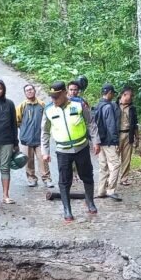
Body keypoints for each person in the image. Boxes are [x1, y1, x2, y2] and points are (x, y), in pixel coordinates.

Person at [41, 81, 100, 222]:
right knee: (64, 180)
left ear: (64, 93)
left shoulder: (78, 105)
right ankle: (67, 210)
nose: (53, 99)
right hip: (63, 150)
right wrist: (45, 151)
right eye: (52, 97)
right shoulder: (48, 110)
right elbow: (44, 132)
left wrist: (96, 141)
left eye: (56, 96)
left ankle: (90, 201)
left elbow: (90, 122)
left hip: (81, 147)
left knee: (87, 175)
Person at [16, 83, 53, 188]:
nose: (29, 91)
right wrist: (24, 130)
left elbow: (47, 120)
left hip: (39, 138)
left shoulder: (42, 104)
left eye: (31, 89)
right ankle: (31, 178)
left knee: (43, 159)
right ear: (25, 93)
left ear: (34, 91)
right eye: (27, 90)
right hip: (26, 139)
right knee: (28, 160)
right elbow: (17, 120)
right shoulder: (21, 106)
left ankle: (47, 179)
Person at [94, 83, 122, 201]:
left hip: (100, 141)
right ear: (109, 93)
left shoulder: (97, 106)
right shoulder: (108, 107)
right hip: (109, 142)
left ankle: (101, 191)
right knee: (115, 164)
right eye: (112, 93)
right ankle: (111, 190)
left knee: (103, 166)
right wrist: (116, 140)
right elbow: (111, 125)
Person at [116, 85, 138, 186]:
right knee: (114, 158)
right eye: (130, 96)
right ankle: (111, 179)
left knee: (126, 158)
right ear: (124, 95)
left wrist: (137, 138)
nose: (131, 98)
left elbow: (135, 124)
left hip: (128, 134)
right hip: (117, 135)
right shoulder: (114, 106)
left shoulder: (132, 108)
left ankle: (124, 178)